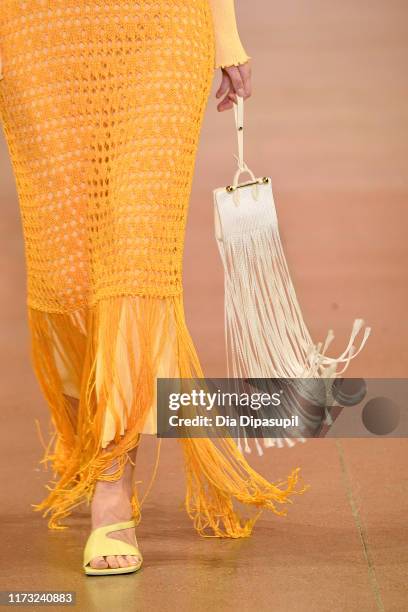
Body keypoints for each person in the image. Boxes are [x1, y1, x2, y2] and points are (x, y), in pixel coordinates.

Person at [0, 0, 306, 576]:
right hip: (38, 26)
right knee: (67, 270)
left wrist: (225, 34)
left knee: (137, 258)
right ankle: (91, 433)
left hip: (161, 28)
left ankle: (112, 485)